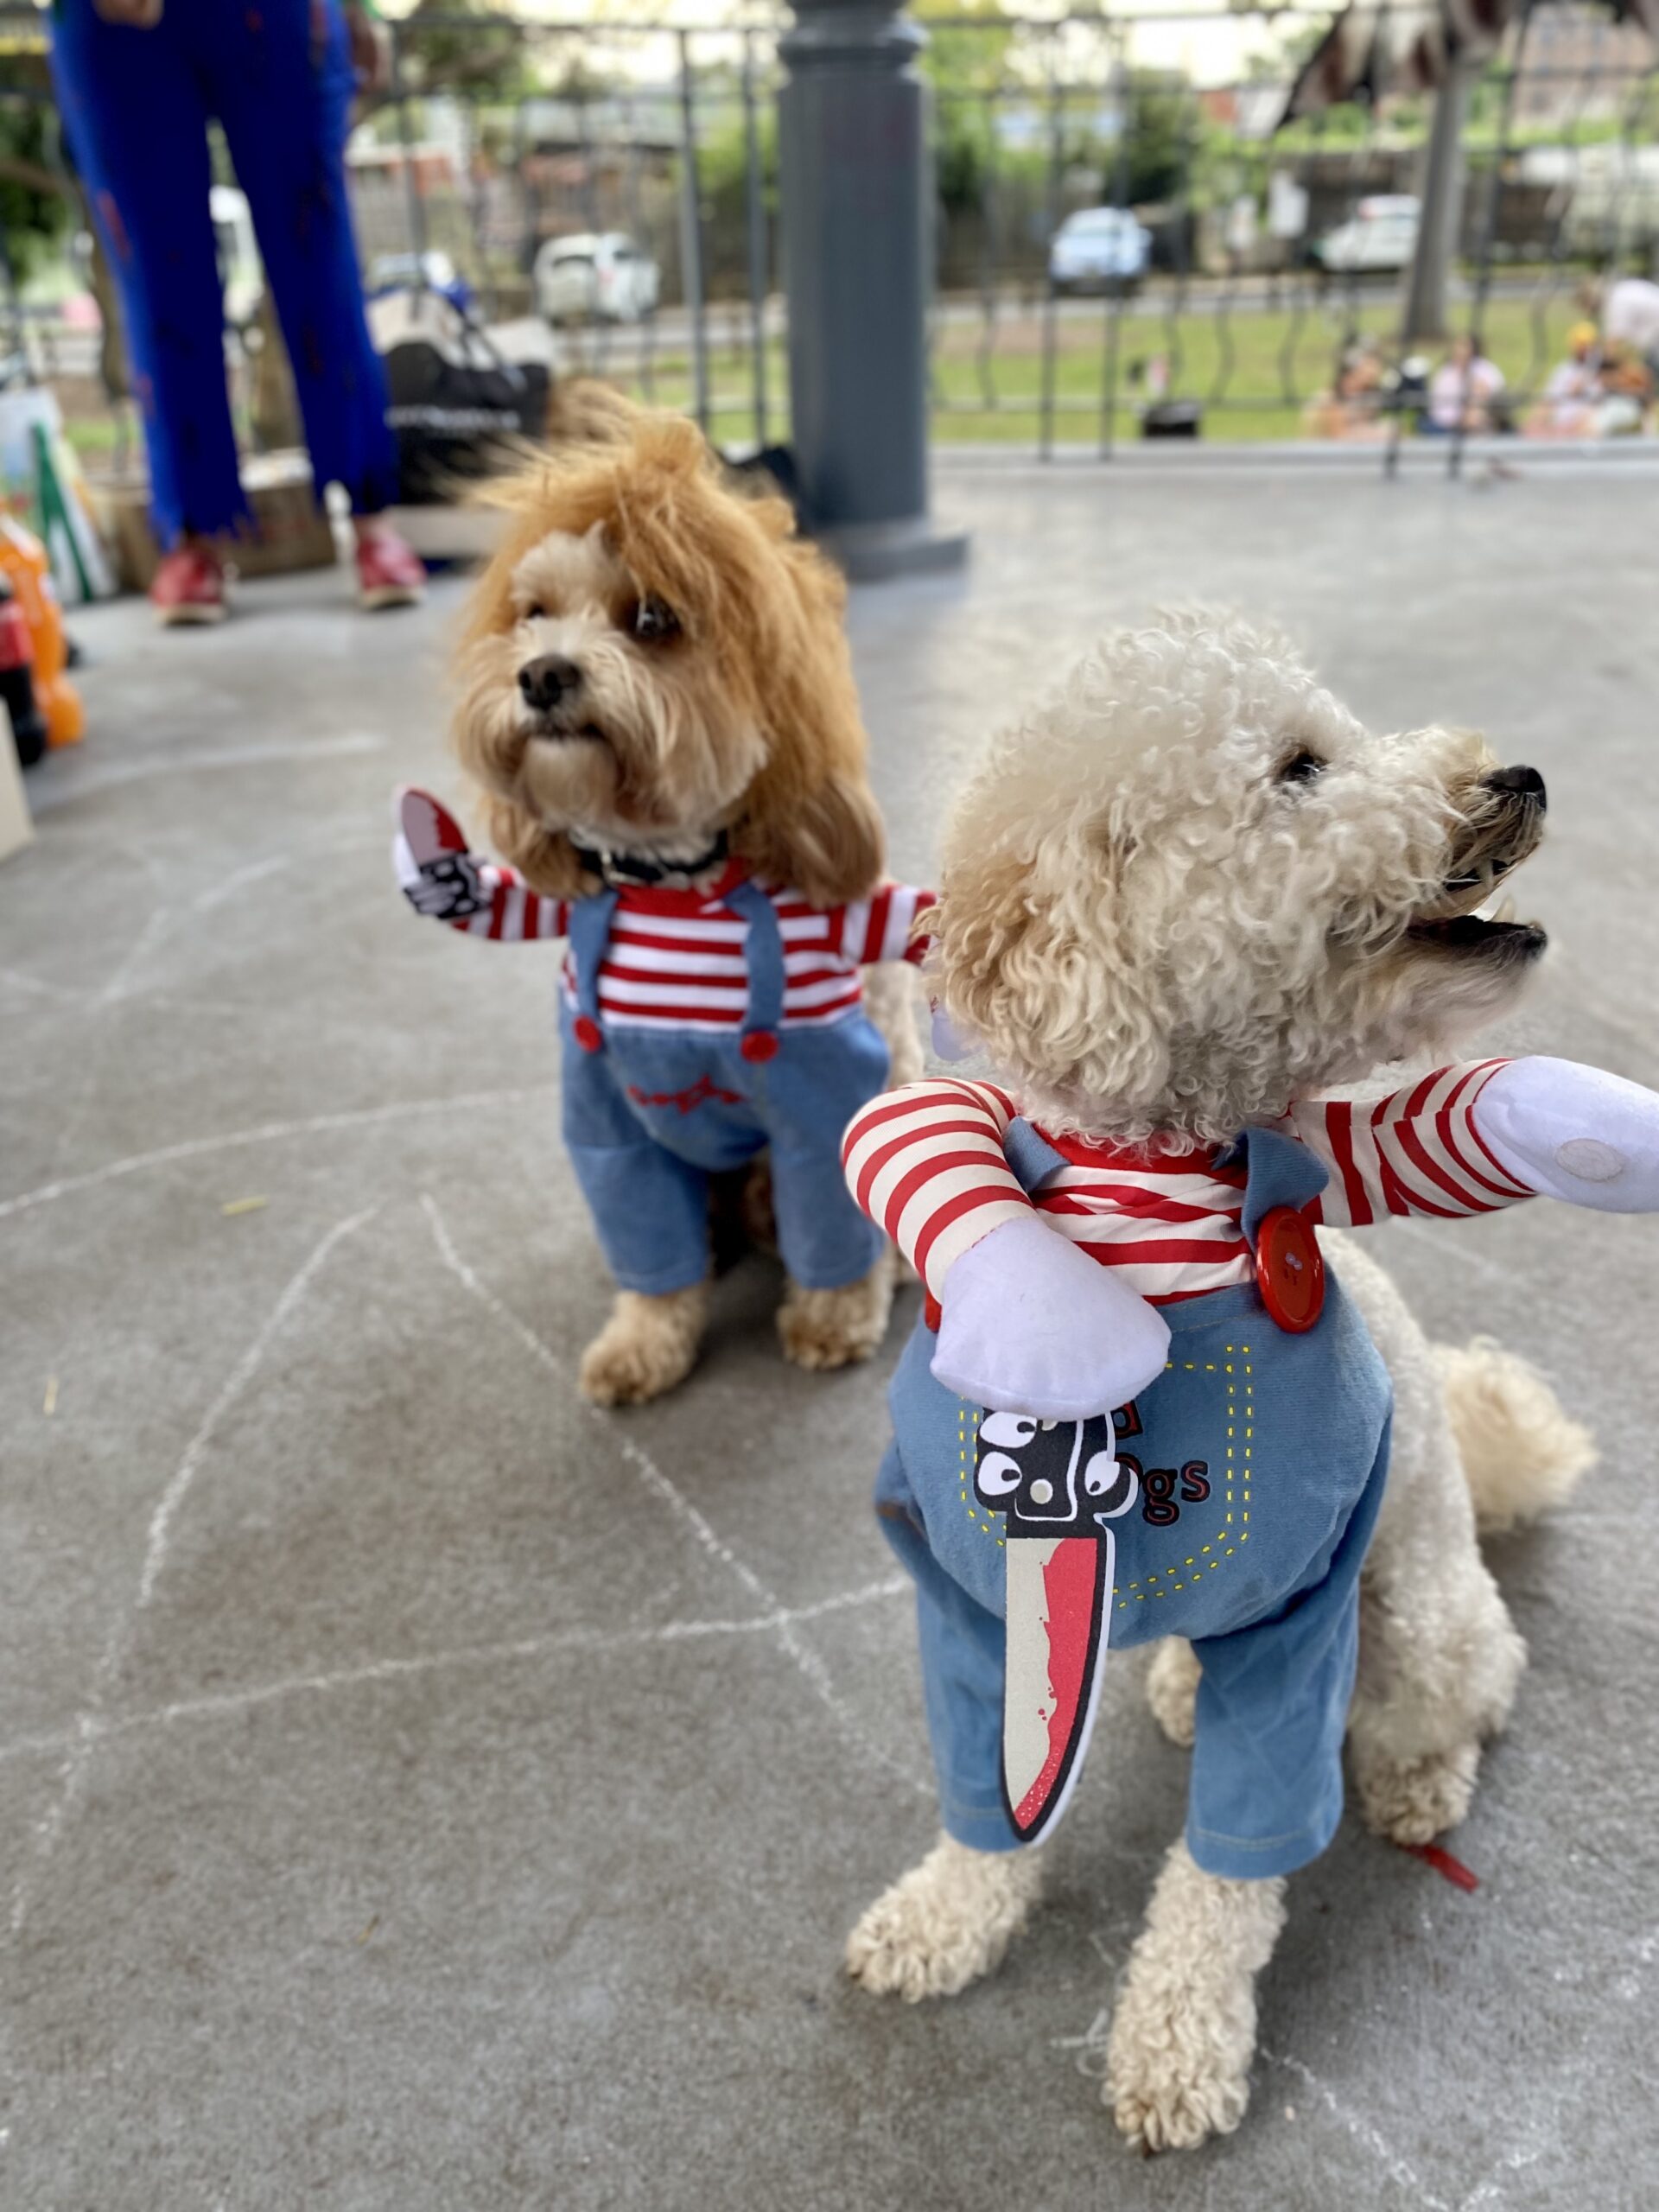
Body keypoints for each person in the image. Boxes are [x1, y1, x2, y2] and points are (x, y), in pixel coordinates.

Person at [50, 0, 426, 626]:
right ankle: (192, 532)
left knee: (320, 254)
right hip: (115, 25)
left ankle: (371, 514)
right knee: (155, 269)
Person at [1524, 320, 1600, 438]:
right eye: (1581, 344)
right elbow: (1548, 400)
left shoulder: (1601, 370)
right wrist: (1536, 421)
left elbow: (1595, 404)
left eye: (1587, 344)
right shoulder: (1563, 370)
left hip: (1585, 426)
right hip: (1562, 426)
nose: (1584, 349)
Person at [1423, 333, 1505, 435]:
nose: (1460, 350)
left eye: (1464, 346)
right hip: (1447, 424)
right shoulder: (1446, 372)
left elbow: (1495, 391)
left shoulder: (1484, 368)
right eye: (1458, 346)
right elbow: (1438, 407)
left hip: (1481, 418)